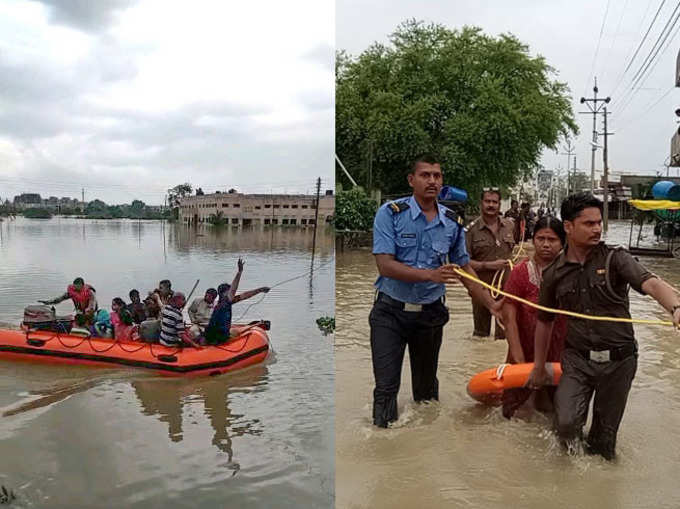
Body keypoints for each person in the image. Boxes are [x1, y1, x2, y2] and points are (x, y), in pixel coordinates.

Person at [527, 193, 680, 460]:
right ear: (568, 226)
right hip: (576, 360)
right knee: (564, 425)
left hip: (619, 361)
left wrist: (676, 307)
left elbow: (653, 284)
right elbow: (544, 322)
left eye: (599, 222)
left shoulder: (616, 259)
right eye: (588, 223)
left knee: (604, 442)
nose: (597, 228)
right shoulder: (554, 274)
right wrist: (539, 367)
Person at [370, 154, 503, 428]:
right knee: (386, 387)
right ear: (412, 180)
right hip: (390, 313)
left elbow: (464, 268)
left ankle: (426, 452)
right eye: (425, 175)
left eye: (437, 176)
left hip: (430, 315)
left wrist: (492, 305)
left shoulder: (452, 222)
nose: (432, 180)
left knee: (427, 392)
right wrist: (430, 275)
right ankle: (384, 443)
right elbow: (385, 265)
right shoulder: (390, 213)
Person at [501, 216, 567, 419]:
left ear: (563, 242)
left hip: (559, 359)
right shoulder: (520, 273)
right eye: (540, 238)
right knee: (516, 416)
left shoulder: (570, 274)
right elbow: (509, 318)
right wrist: (519, 361)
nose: (546, 244)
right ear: (533, 240)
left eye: (552, 239)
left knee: (556, 416)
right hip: (523, 354)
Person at [465, 188, 515, 339]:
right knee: (480, 337)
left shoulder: (509, 226)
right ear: (481, 203)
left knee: (504, 336)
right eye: (487, 201)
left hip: (506, 290)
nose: (491, 205)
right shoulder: (470, 230)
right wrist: (487, 265)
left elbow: (513, 253)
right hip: (481, 288)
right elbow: (462, 263)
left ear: (500, 205)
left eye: (494, 202)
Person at [204, 259, 270, 345]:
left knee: (234, 331)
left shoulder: (223, 303)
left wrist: (260, 290)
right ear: (224, 293)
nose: (232, 293)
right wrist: (239, 272)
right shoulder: (223, 304)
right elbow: (233, 290)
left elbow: (245, 295)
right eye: (229, 291)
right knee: (233, 333)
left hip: (213, 335)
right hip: (218, 337)